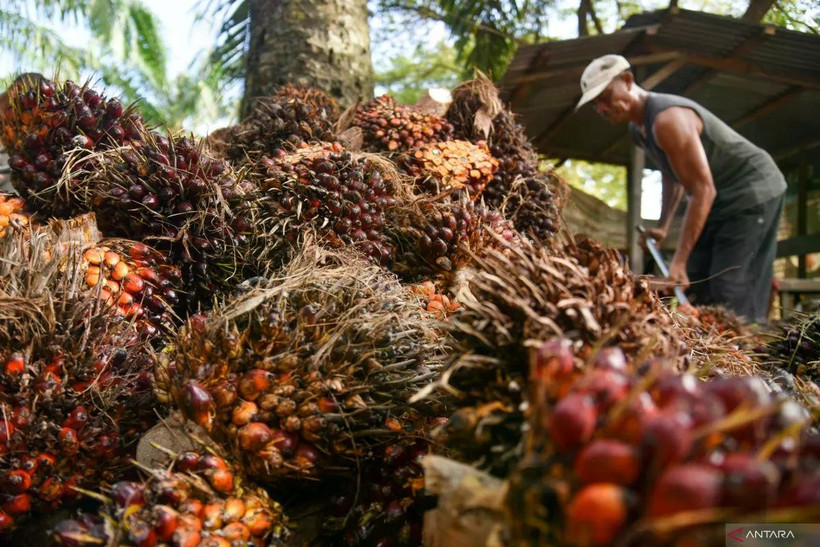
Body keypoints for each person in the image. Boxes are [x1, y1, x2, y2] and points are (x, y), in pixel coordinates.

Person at [575, 54, 786, 323]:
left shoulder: (668, 119)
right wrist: (664, 226)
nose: (603, 108)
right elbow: (672, 175)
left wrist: (679, 260)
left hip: (752, 190)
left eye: (605, 96)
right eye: (596, 104)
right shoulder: (638, 130)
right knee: (697, 282)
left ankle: (746, 355)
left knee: (730, 285)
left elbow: (702, 190)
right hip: (718, 199)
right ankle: (712, 354)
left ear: (627, 81)